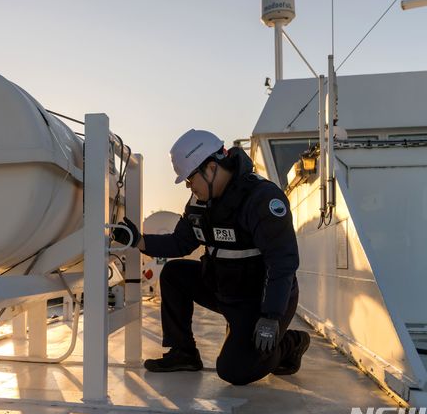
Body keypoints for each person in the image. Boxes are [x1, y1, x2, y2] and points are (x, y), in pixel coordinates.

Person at [112, 129, 310, 385]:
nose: (189, 186)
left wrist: (271, 317)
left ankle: (291, 342)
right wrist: (138, 240)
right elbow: (179, 243)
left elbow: (282, 262)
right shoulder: (199, 203)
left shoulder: (261, 199)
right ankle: (183, 352)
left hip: (258, 301)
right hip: (223, 288)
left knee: (235, 371)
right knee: (174, 274)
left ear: (212, 167)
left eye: (190, 178)